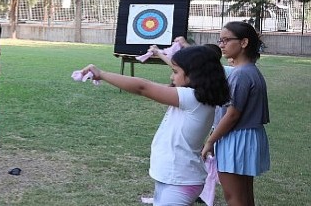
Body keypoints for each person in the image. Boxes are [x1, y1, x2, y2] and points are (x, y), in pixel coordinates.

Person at [81, 45, 230, 205]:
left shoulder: (191, 98)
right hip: (177, 177)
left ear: (193, 75)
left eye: (175, 72)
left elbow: (142, 87)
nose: (172, 77)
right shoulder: (197, 97)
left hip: (180, 180)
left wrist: (102, 74)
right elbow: (152, 87)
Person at [201, 21, 270, 206]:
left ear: (244, 43)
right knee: (245, 196)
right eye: (220, 40)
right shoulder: (251, 71)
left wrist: (210, 141)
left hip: (236, 140)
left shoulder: (240, 74)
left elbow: (232, 115)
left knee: (235, 198)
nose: (221, 44)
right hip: (247, 138)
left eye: (226, 40)